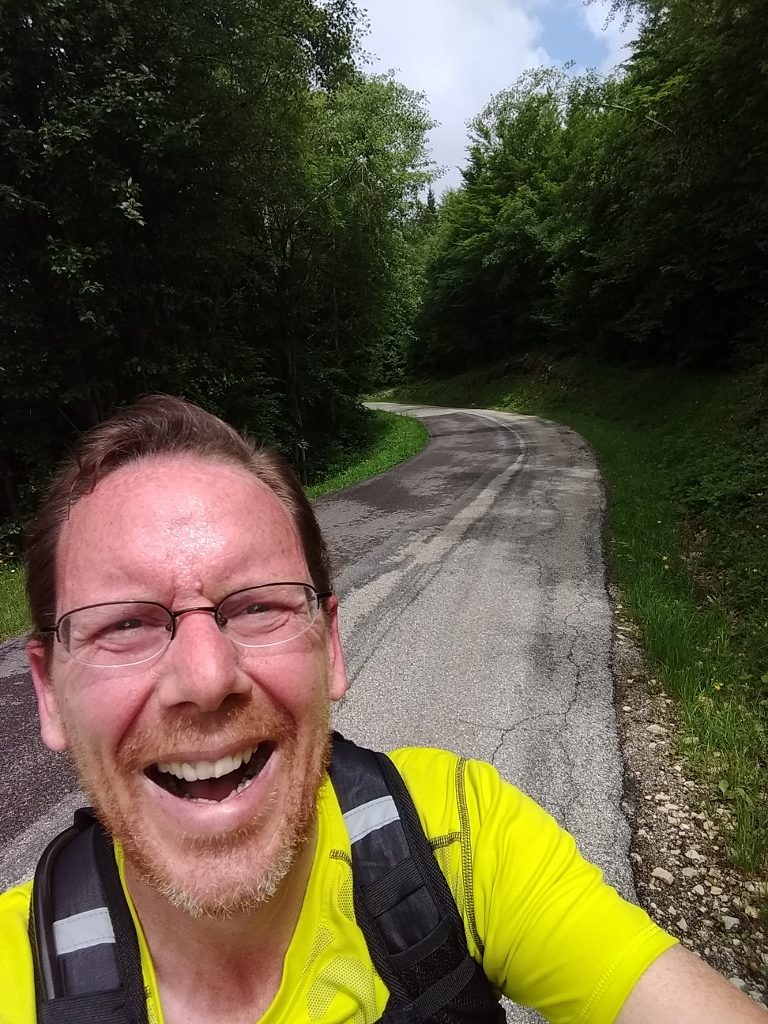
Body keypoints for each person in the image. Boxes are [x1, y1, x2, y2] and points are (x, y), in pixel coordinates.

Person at [0, 394, 765, 1024]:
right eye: (125, 624)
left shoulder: (457, 841)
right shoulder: (15, 967)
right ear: (48, 690)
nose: (206, 677)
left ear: (330, 645)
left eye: (259, 607)